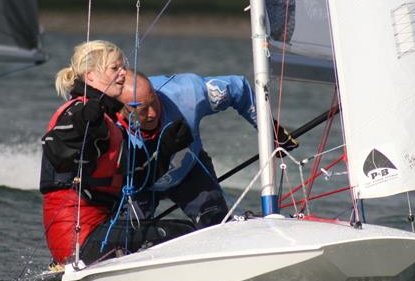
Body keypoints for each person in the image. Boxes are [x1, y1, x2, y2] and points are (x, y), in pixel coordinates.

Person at [39, 41, 192, 266]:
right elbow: (57, 150)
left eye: (123, 67)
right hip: (77, 240)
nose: (123, 74)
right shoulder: (78, 111)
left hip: (99, 231)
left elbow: (138, 176)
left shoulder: (111, 122)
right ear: (90, 76)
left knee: (182, 229)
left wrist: (166, 147)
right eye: (115, 68)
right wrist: (82, 125)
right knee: (182, 234)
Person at [116, 71, 298, 228]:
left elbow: (238, 88)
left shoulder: (187, 93)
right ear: (121, 108)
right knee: (122, 239)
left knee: (216, 226)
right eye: (142, 109)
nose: (153, 113)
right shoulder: (109, 125)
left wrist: (270, 128)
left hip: (189, 170)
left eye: (154, 101)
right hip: (136, 184)